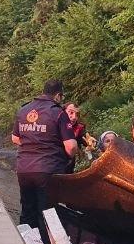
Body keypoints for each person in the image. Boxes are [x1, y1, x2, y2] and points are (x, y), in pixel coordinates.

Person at [12, 78, 76, 229]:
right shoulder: (58, 113)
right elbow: (71, 146)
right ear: (58, 95)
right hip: (48, 170)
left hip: (24, 169)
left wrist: (32, 144)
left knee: (27, 212)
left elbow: (15, 138)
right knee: (47, 216)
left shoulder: (23, 110)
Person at [64, 103, 87, 173]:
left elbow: (85, 140)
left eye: (77, 114)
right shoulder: (53, 125)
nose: (74, 117)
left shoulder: (79, 128)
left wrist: (90, 142)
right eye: (70, 113)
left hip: (69, 168)